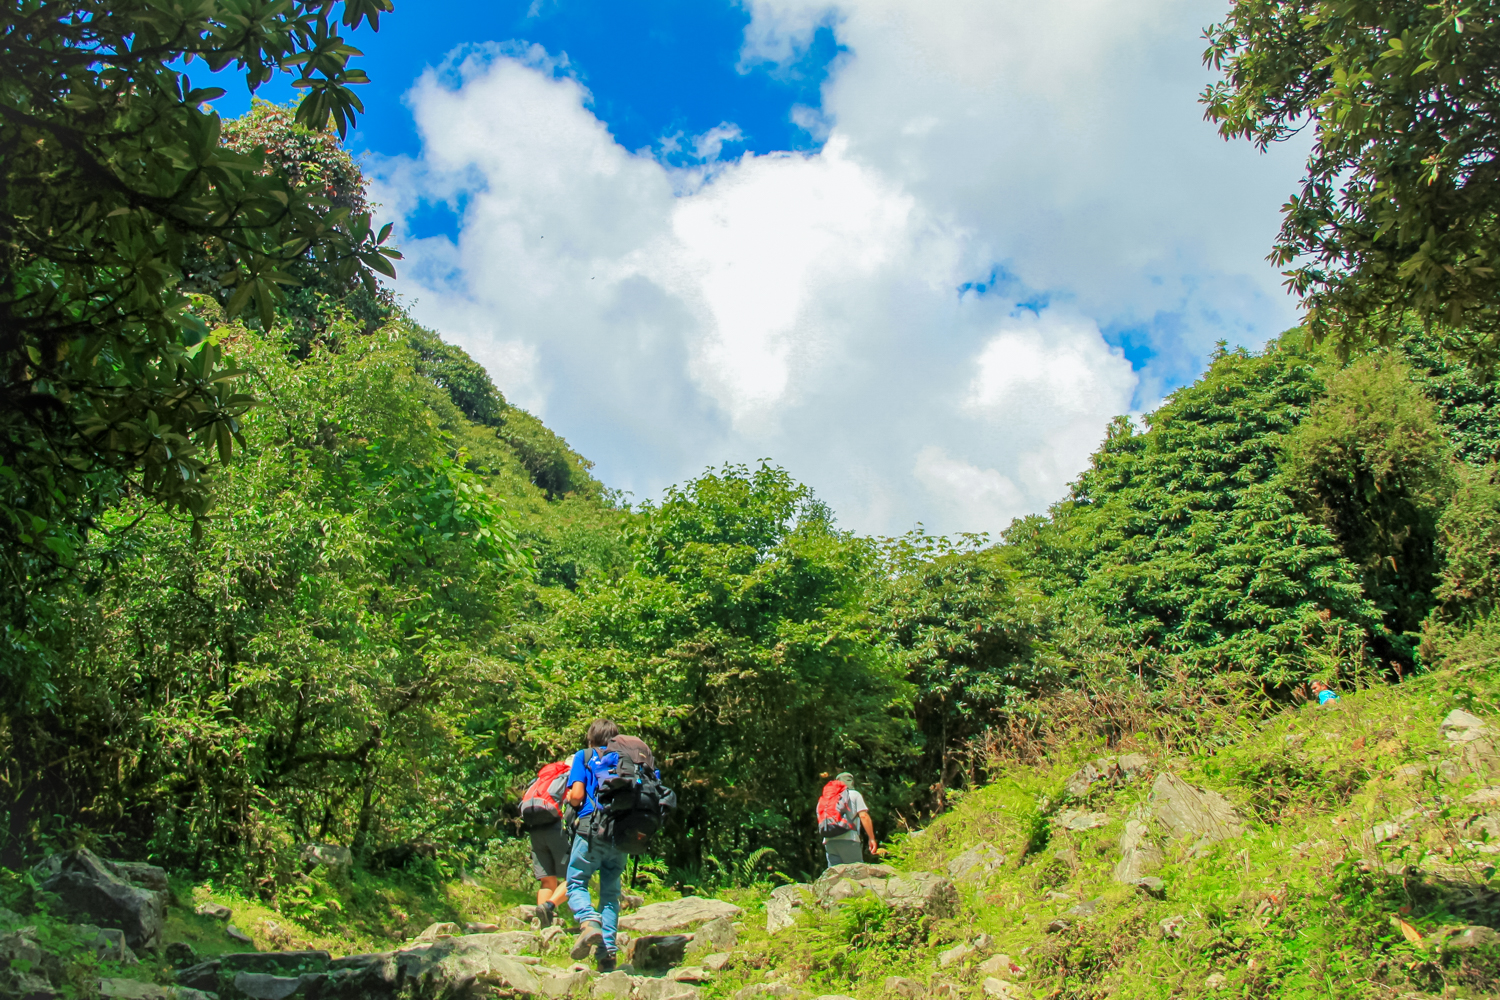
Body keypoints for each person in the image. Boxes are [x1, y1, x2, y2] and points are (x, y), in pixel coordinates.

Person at [564, 718, 627, 972]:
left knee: (576, 882)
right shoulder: (628, 759)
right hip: (622, 836)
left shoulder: (584, 756)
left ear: (591, 739)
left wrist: (571, 799)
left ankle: (589, 921)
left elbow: (577, 796)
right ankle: (607, 954)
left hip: (592, 831)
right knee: (611, 895)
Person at [519, 761, 572, 927]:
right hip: (555, 828)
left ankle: (541, 925)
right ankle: (549, 907)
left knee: (547, 880)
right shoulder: (570, 776)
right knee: (573, 877)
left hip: (535, 829)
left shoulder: (545, 777)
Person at [819, 771, 877, 868]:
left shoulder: (827, 797)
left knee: (835, 877)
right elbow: (864, 816)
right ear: (852, 782)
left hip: (829, 840)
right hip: (849, 839)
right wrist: (871, 838)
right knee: (857, 873)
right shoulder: (855, 794)